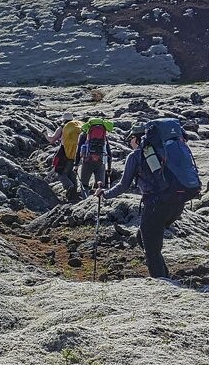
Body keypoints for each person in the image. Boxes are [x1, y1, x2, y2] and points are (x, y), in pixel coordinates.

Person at [95, 125, 191, 279]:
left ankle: (161, 283)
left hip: (156, 204)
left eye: (131, 139)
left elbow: (123, 185)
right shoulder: (166, 153)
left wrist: (104, 194)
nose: (129, 142)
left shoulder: (136, 156)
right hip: (177, 203)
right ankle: (164, 274)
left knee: (151, 248)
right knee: (143, 237)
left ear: (138, 139)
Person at [49, 113, 85, 201]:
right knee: (71, 173)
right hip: (76, 154)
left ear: (63, 120)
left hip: (64, 154)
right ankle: (73, 196)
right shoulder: (78, 127)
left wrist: (45, 134)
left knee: (61, 174)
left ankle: (70, 187)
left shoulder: (62, 127)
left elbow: (52, 140)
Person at [77, 117, 114, 192]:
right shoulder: (103, 137)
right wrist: (109, 168)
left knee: (84, 184)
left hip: (87, 161)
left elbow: (78, 150)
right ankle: (98, 200)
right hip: (101, 161)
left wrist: (76, 164)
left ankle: (85, 199)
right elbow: (109, 152)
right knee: (100, 185)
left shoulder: (84, 135)